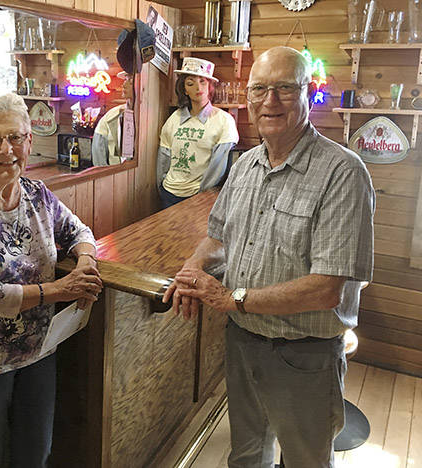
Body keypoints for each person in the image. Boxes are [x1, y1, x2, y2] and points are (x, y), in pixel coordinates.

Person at [163, 47, 375, 468]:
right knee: (246, 454)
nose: (269, 101)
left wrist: (230, 299)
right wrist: (192, 269)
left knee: (305, 459)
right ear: (247, 95)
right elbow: (219, 237)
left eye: (284, 88)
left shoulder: (343, 173)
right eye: (259, 88)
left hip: (304, 355)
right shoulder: (244, 166)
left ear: (308, 93)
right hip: (243, 342)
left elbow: (327, 289)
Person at [0, 93, 102, 468]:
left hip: (36, 351)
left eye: (15, 138)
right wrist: (59, 290)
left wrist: (85, 262)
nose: (6, 150)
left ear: (29, 141)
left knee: (35, 454)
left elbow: (79, 230)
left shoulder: (37, 195)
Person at [157, 57, 239, 209]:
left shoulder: (223, 121)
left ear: (210, 86)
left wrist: (202, 195)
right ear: (184, 90)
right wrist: (162, 186)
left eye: (203, 81)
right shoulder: (173, 119)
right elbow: (164, 158)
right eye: (190, 83)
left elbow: (219, 167)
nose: (198, 88)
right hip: (169, 194)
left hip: (199, 197)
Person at [92, 71, 133, 166]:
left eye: (130, 81)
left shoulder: (148, 118)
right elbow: (99, 161)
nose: (124, 85)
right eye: (125, 80)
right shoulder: (111, 117)